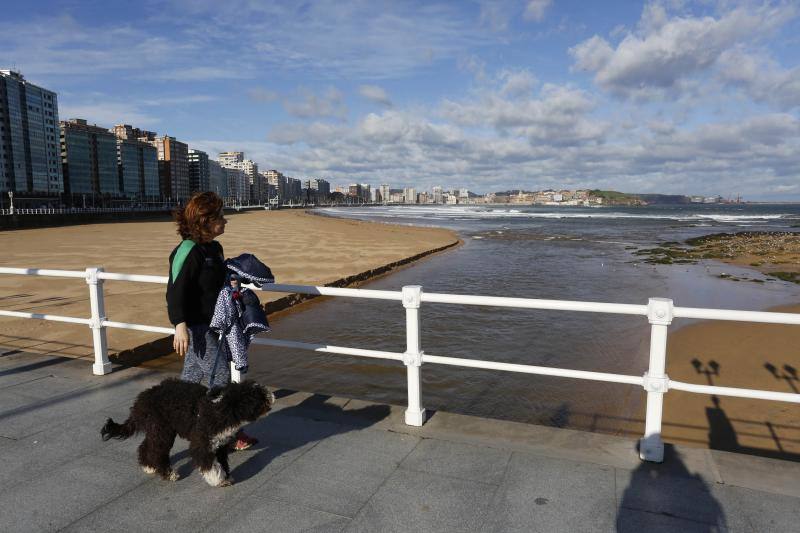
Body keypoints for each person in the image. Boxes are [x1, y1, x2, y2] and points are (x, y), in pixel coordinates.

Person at [166, 191, 258, 451]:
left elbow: (216, 283)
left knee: (189, 382)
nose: (225, 221)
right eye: (220, 217)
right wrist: (179, 326)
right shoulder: (188, 251)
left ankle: (169, 420)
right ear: (205, 221)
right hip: (196, 327)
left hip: (213, 324)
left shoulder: (214, 249)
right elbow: (175, 290)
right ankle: (230, 435)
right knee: (220, 378)